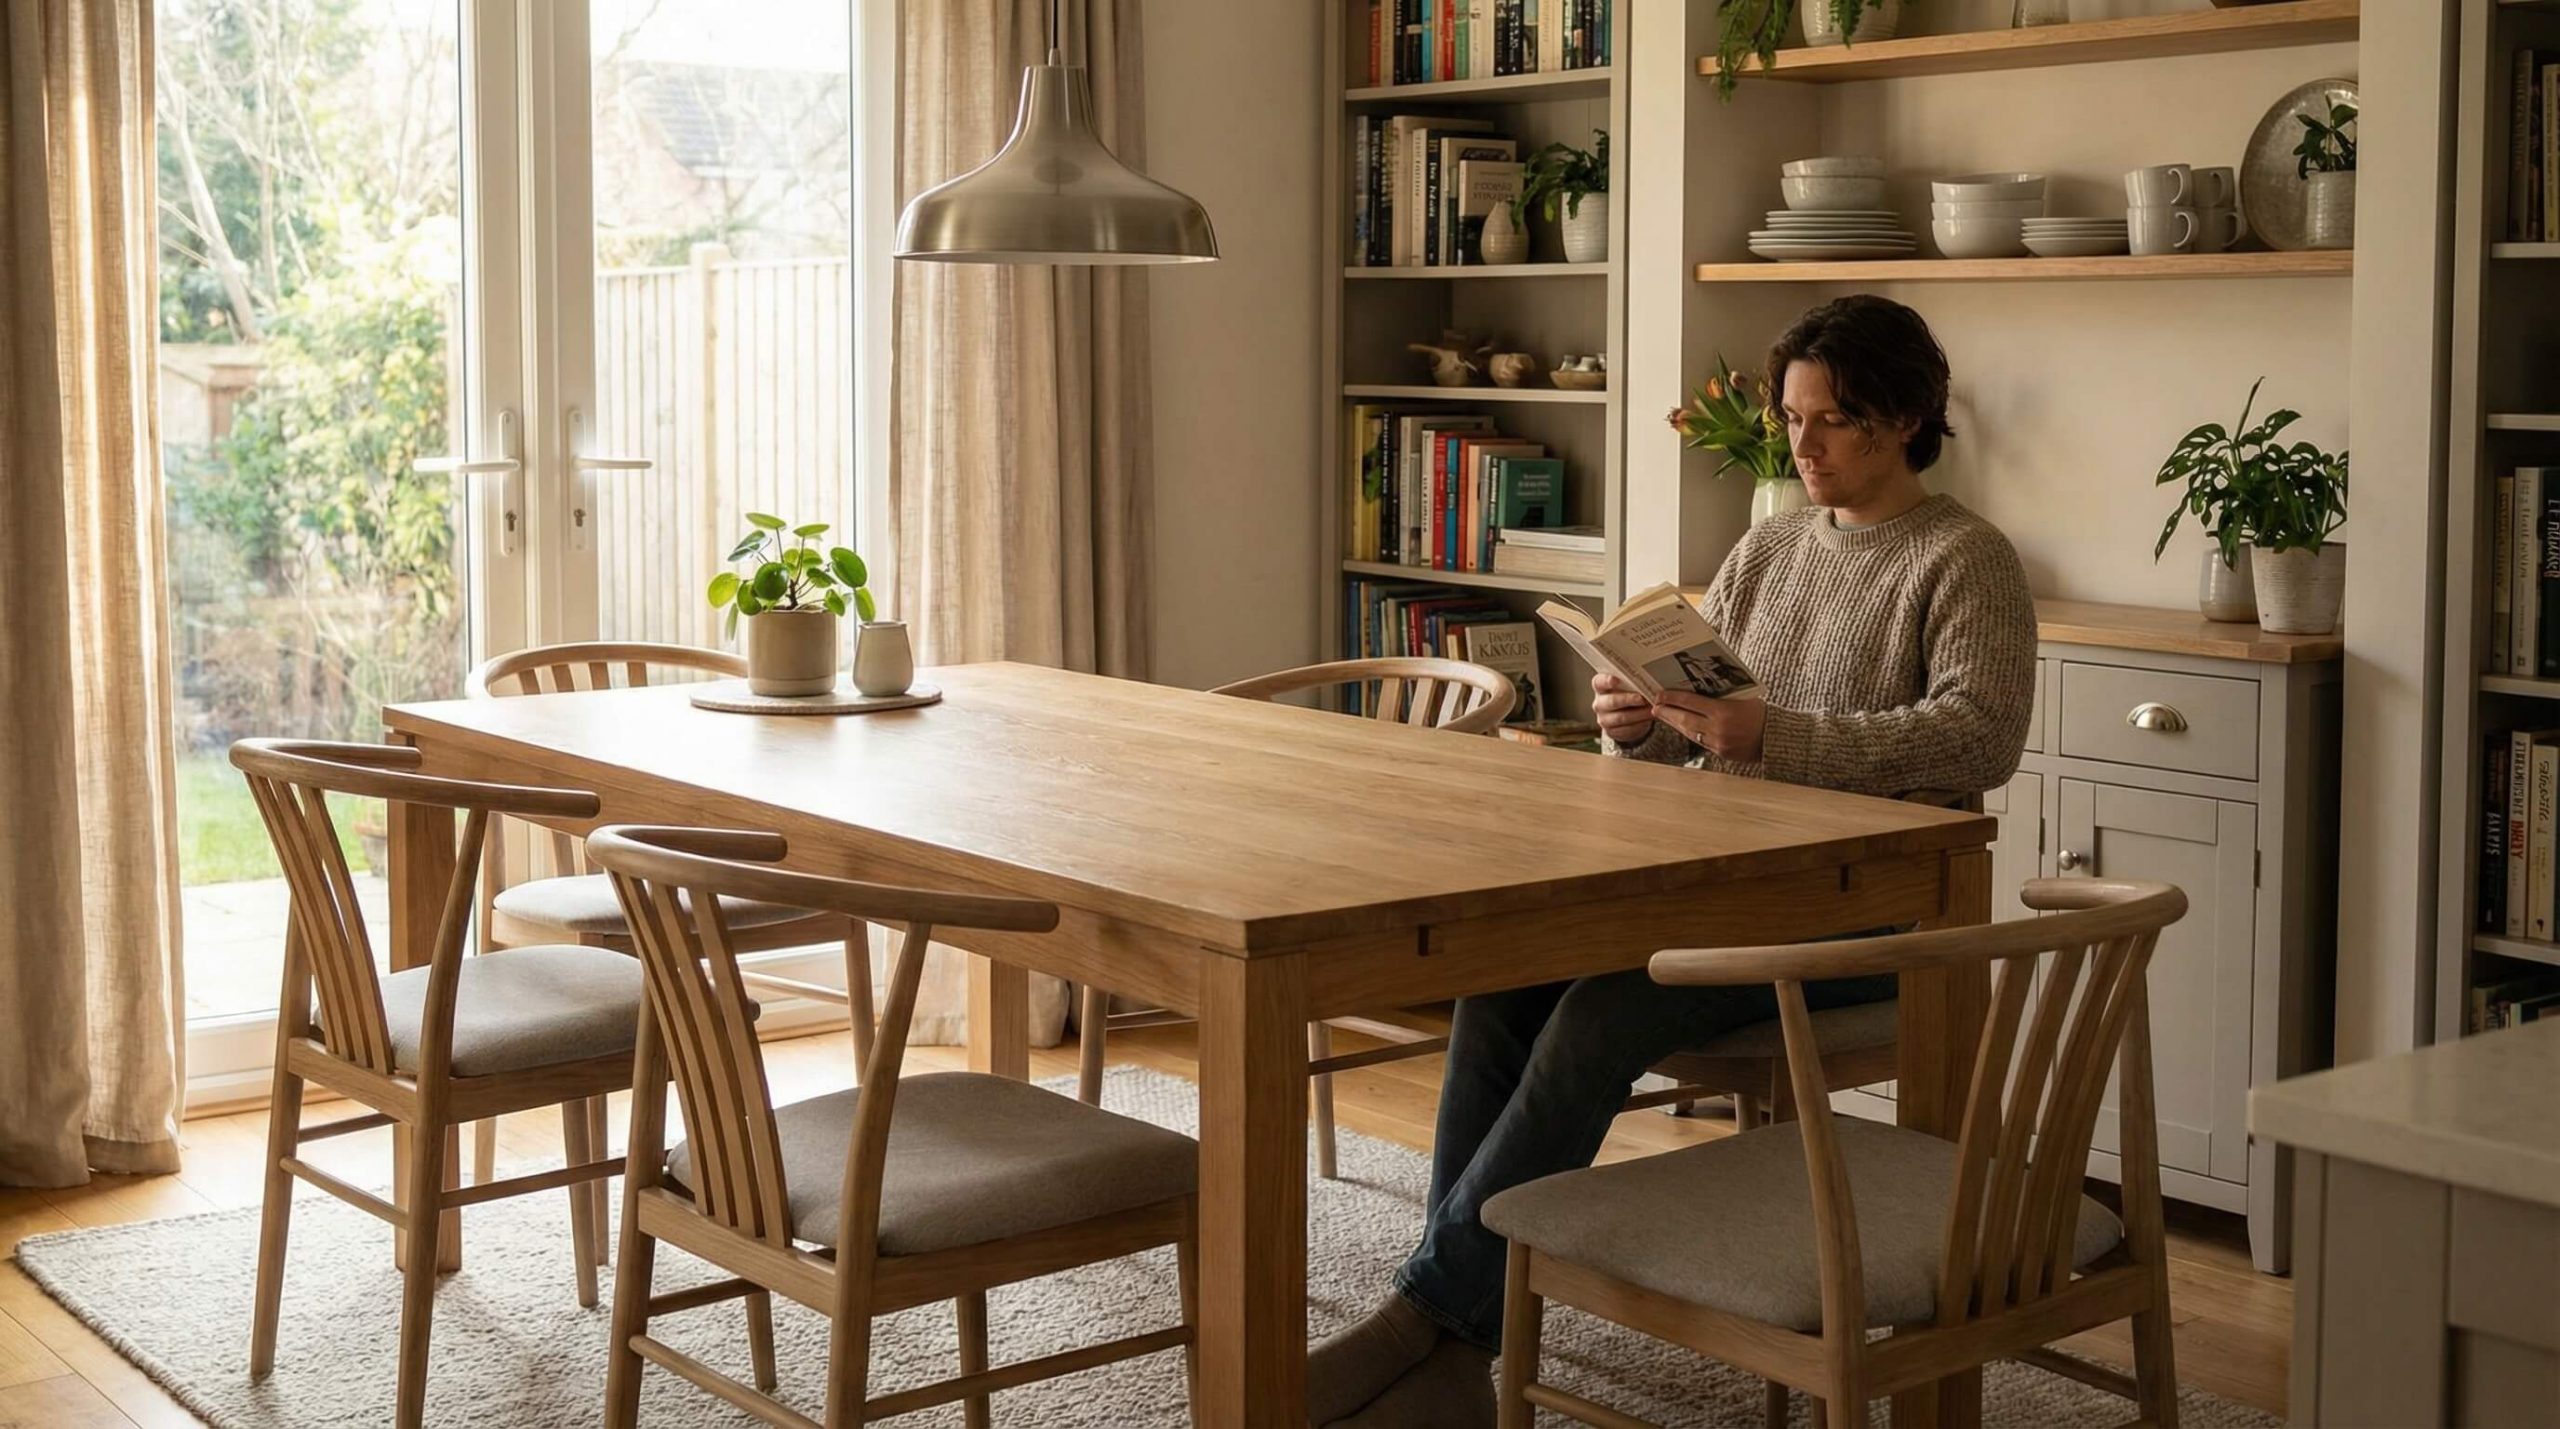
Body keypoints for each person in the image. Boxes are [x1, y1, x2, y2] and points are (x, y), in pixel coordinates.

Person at [1306, 295, 2039, 1427]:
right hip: (1733, 885)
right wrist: (1635, 722)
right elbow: (1706, 726)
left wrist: (1776, 735)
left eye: (1832, 421)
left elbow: (1977, 736)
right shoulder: (1768, 546)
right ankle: (1459, 1320)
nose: (1802, 446)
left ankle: (1432, 1322)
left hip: (1883, 919)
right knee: (1501, 982)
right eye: (1791, 417)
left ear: (1904, 418)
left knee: (1604, 1009)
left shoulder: (1966, 559)